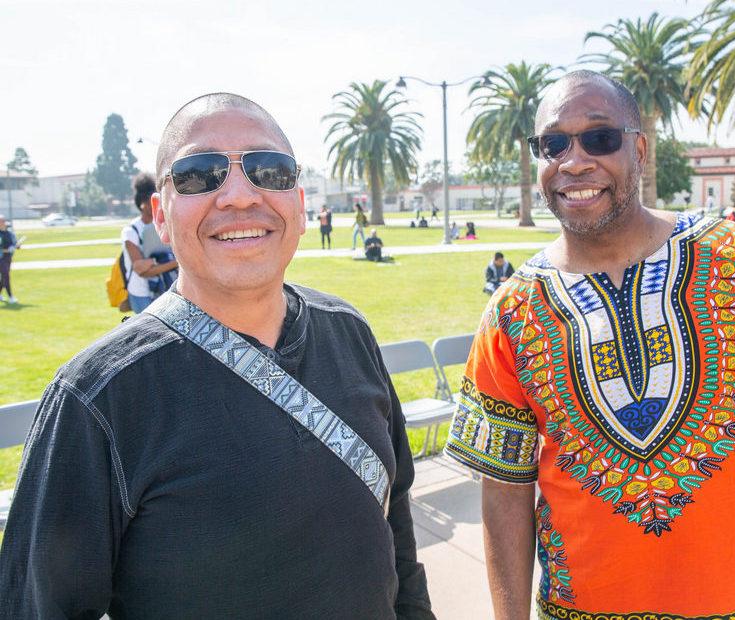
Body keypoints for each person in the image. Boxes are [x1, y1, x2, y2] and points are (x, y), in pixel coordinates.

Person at [445, 70, 735, 620]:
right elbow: (504, 490)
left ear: (640, 148)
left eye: (600, 138)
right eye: (553, 144)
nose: (574, 162)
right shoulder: (512, 312)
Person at [0, 93, 434, 618]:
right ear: (160, 215)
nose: (238, 196)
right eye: (199, 174)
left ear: (298, 202)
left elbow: (397, 522)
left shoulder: (350, 334)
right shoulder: (96, 400)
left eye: (268, 171)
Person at [121, 173, 179, 314]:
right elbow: (142, 271)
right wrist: (178, 262)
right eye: (151, 201)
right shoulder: (131, 231)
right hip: (141, 292)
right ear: (142, 204)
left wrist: (152, 263)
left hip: (164, 288)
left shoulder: (164, 224)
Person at [0, 215, 21, 304]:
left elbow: (15, 244)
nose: (2, 222)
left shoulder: (10, 233)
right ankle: (11, 297)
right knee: (6, 276)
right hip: (1, 258)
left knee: (4, 278)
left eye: (2, 221)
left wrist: (17, 246)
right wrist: (7, 250)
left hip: (8, 258)